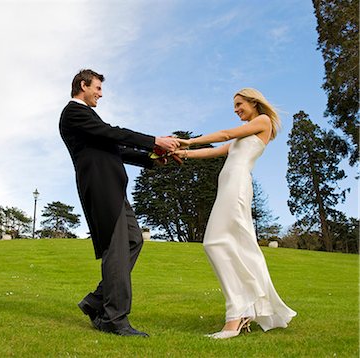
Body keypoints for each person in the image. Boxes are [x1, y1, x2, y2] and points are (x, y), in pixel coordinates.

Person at [59, 69, 179, 337]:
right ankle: (114, 319)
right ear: (83, 85)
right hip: (100, 187)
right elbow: (114, 134)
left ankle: (96, 301)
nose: (101, 94)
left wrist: (152, 159)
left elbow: (115, 148)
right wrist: (154, 140)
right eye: (98, 88)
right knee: (117, 249)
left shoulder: (87, 118)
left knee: (133, 240)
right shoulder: (73, 113)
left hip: (114, 188)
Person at [175, 88, 296, 339]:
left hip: (237, 186)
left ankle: (236, 316)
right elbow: (215, 151)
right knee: (226, 245)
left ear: (254, 102)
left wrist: (189, 140)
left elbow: (225, 133)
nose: (236, 109)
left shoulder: (262, 122)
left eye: (239, 104)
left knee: (214, 243)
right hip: (228, 185)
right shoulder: (245, 136)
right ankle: (243, 310)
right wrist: (181, 154)